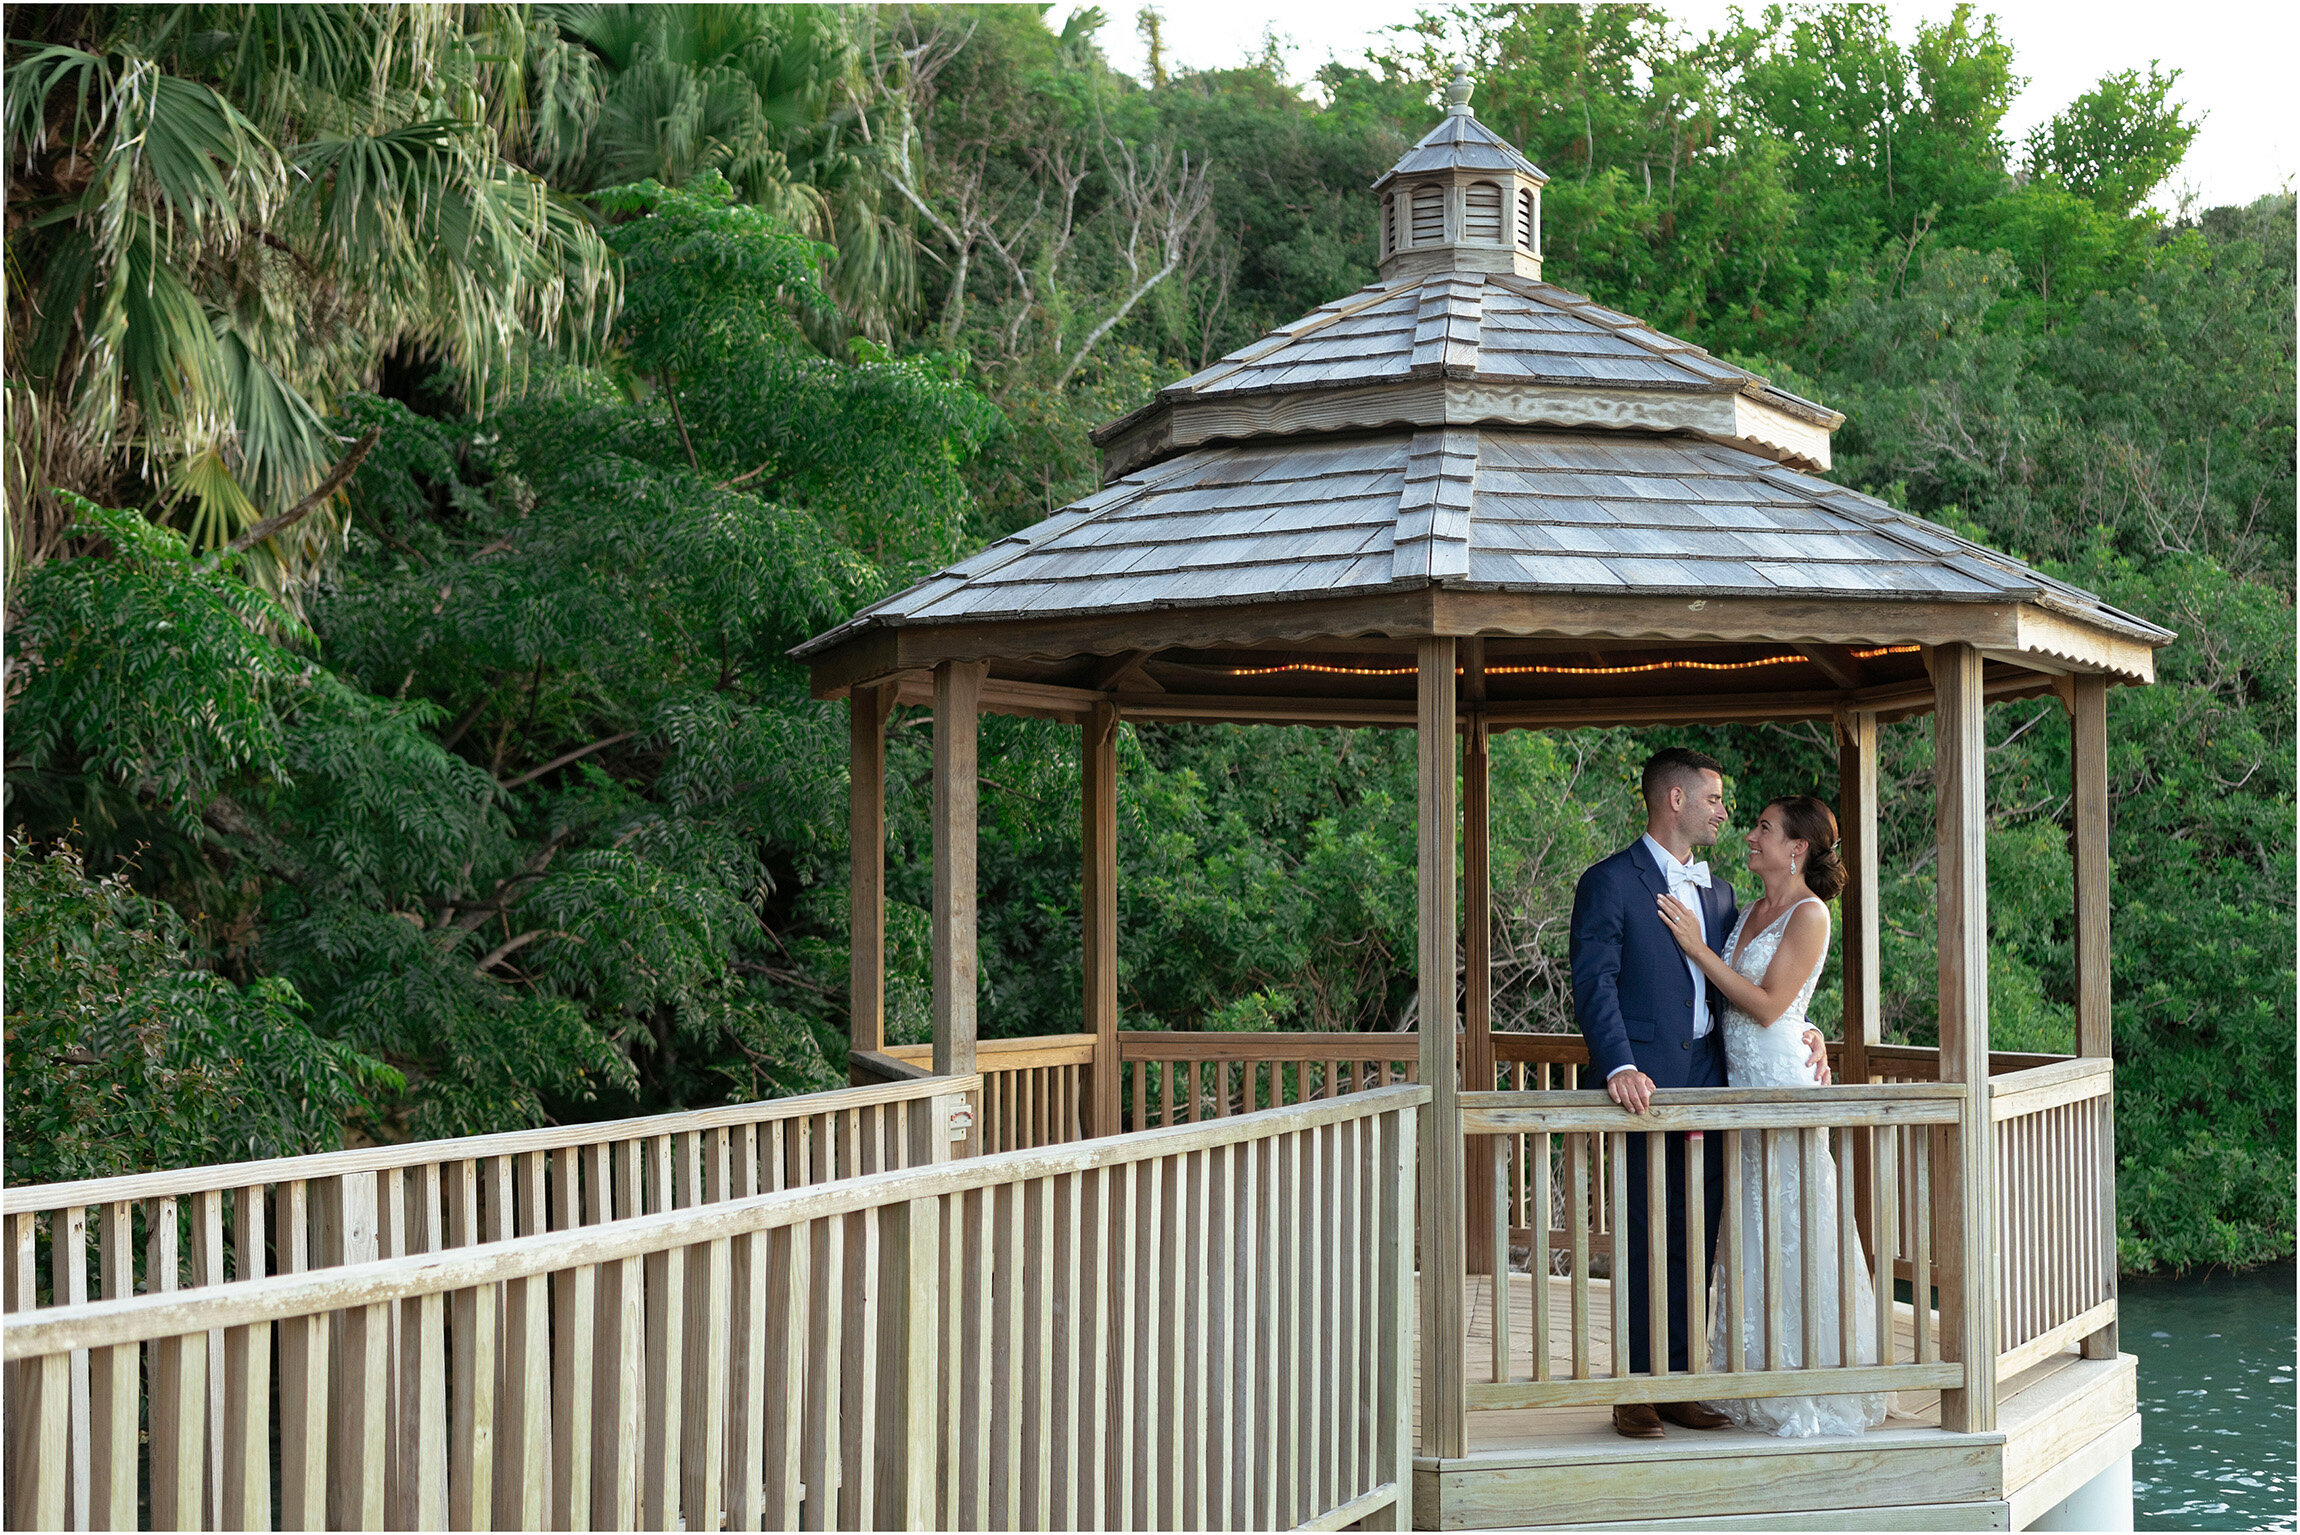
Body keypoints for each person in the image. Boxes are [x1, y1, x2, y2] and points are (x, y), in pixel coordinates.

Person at [1569, 749, 1831, 1440]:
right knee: (1642, 1235)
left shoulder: (1719, 897)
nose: (1726, 812)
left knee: (1695, 1236)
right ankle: (1635, 1391)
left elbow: (1756, 987)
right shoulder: (1608, 881)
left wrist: (1809, 1030)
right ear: (1676, 800)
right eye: (1715, 798)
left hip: (1716, 1087)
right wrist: (1618, 1062)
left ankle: (1682, 1383)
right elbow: (1594, 983)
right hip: (1643, 1088)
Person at [1654, 793, 1888, 1438]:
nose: (1750, 835)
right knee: (1753, 1231)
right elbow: (1779, 1005)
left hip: (1784, 1086)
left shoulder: (1811, 915)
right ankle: (1752, 1376)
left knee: (1797, 1226)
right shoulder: (1752, 907)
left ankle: (1812, 1378)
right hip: (1742, 1090)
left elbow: (1765, 1005)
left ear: (1797, 848)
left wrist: (1700, 951)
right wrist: (1809, 1024)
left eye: (1763, 828)